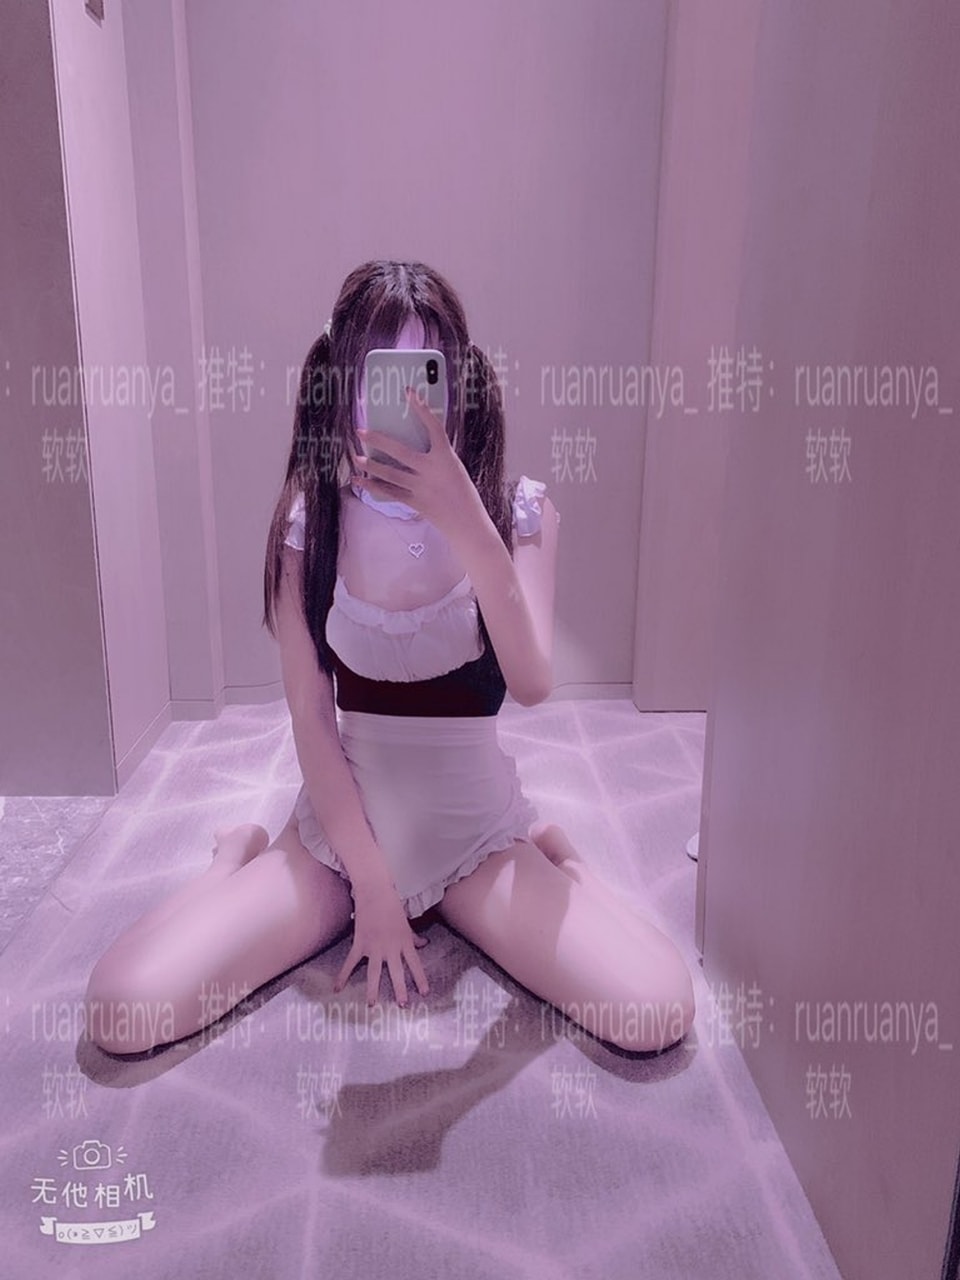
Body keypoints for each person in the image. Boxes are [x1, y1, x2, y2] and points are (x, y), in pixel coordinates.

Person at [84, 260, 695, 1056]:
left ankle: (567, 861)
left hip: (477, 835)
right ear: (343, 385)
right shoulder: (309, 520)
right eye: (381, 376)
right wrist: (372, 888)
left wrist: (464, 516)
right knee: (122, 1012)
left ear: (458, 382)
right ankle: (231, 861)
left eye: (425, 374)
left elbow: (533, 682)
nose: (408, 402)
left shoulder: (518, 513)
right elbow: (310, 716)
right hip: (343, 836)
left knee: (655, 1012)